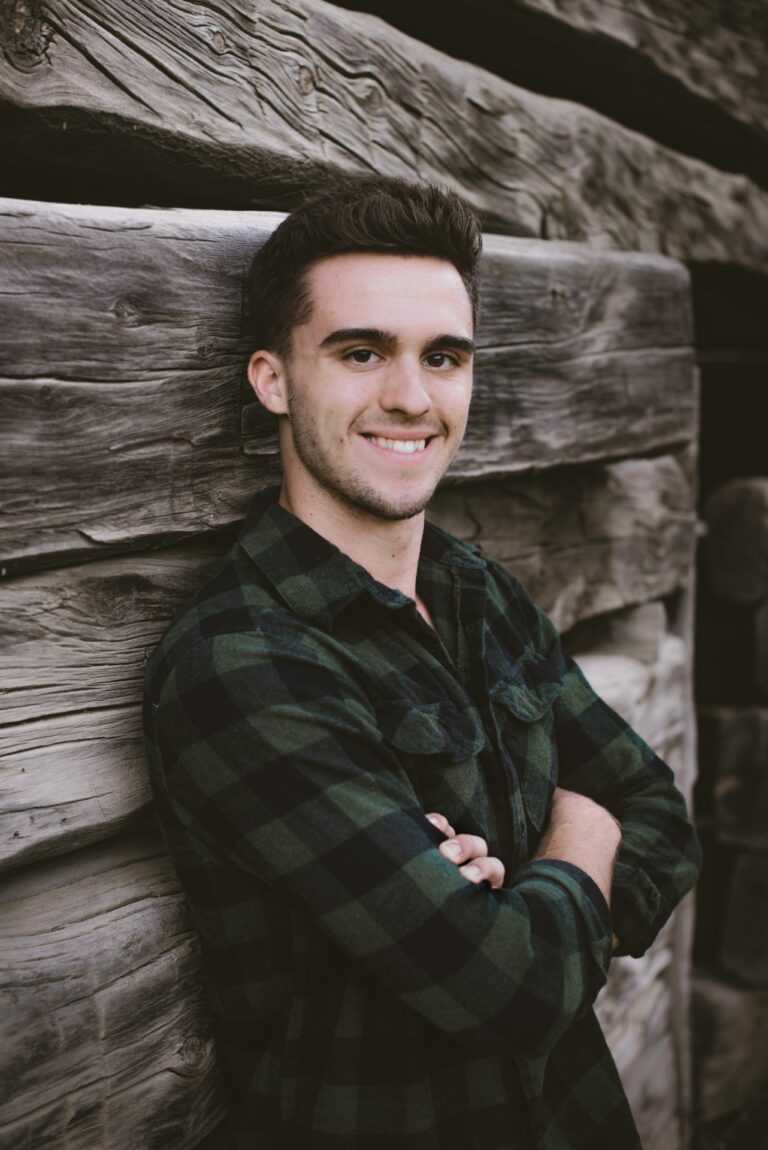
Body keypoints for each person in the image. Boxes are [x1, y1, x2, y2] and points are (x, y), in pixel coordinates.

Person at [143, 177, 701, 1149]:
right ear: (273, 378)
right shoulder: (242, 664)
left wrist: (525, 904)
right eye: (361, 352)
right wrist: (580, 836)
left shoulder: (477, 591)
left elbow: (661, 814)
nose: (411, 395)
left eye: (443, 356)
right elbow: (513, 988)